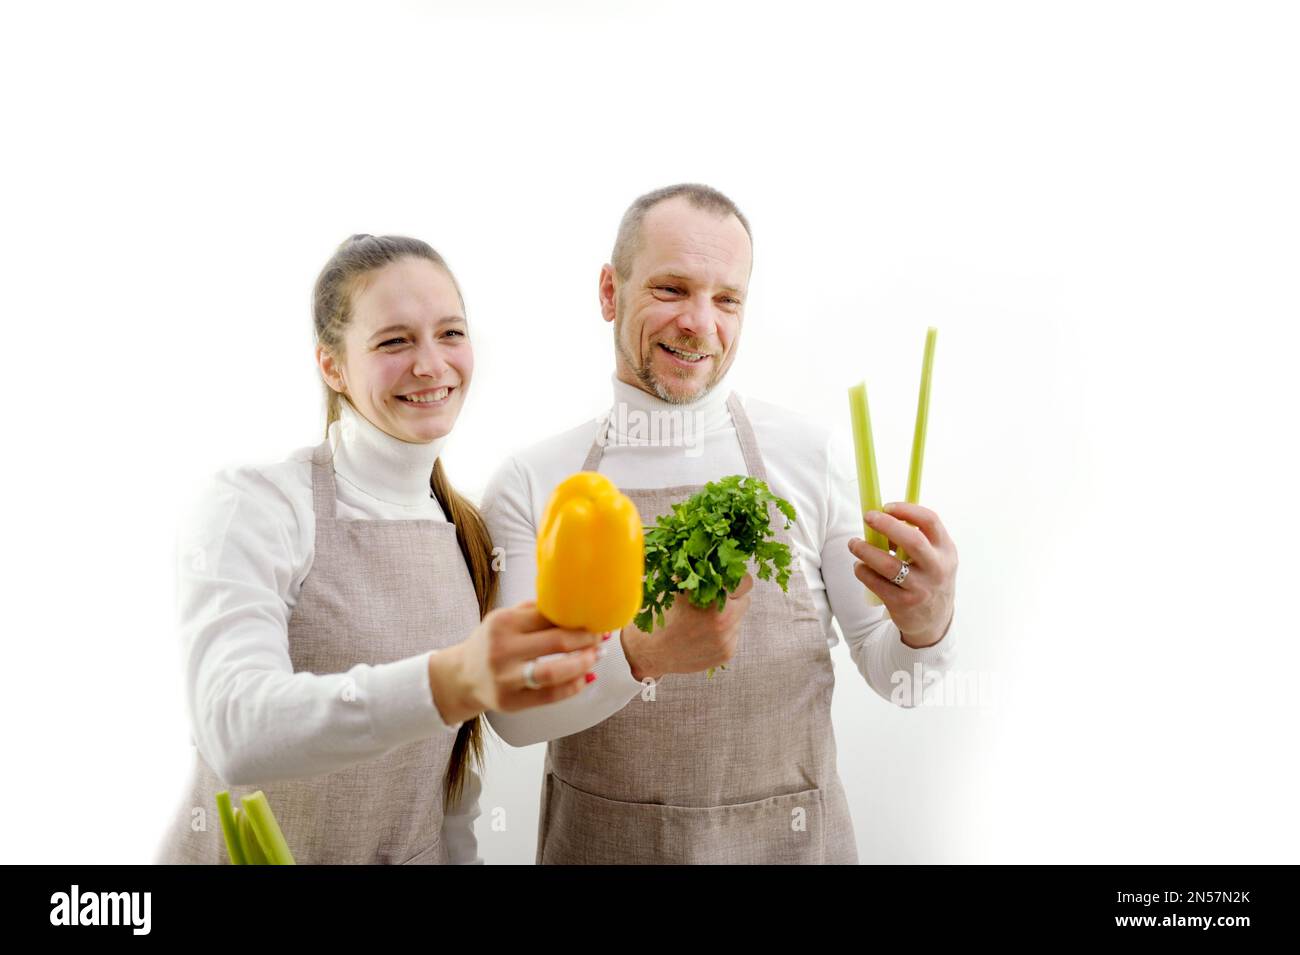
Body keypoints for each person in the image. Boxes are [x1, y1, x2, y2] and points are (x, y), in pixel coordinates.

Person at [481, 185, 960, 864]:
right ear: (609, 292)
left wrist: (927, 623)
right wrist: (641, 654)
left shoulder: (806, 457)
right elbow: (513, 715)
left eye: (727, 298)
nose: (700, 324)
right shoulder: (534, 480)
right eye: (672, 288)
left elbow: (898, 678)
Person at [157, 235, 602, 864]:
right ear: (332, 366)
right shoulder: (256, 507)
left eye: (450, 333)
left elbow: (448, 790)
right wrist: (451, 681)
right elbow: (233, 726)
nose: (430, 364)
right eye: (394, 341)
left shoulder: (466, 531)